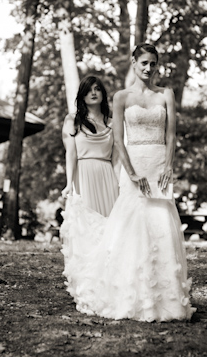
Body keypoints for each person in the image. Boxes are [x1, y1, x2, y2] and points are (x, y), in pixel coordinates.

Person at [60, 44, 195, 322]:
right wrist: (131, 173)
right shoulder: (121, 97)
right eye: (144, 62)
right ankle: (130, 292)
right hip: (134, 166)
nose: (148, 68)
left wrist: (169, 165)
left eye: (153, 64)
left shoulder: (166, 94)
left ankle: (166, 298)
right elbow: (119, 140)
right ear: (134, 62)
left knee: (161, 223)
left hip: (159, 163)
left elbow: (171, 135)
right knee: (130, 225)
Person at [61, 75, 119, 217]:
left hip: (107, 175)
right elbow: (71, 154)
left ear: (103, 94)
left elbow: (117, 159)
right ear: (82, 95)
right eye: (88, 90)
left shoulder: (113, 124)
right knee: (86, 221)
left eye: (97, 89)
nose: (93, 93)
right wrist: (69, 183)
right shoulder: (72, 120)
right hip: (83, 174)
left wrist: (120, 184)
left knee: (109, 222)